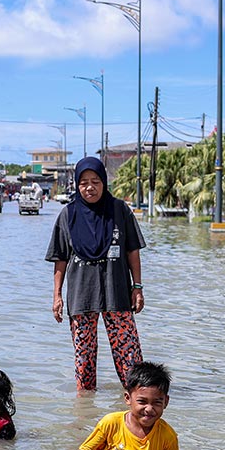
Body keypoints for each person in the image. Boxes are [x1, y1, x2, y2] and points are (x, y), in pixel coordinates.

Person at [45, 156, 146, 391]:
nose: (90, 187)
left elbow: (132, 250)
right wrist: (57, 296)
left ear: (104, 183)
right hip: (82, 295)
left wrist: (138, 287)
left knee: (130, 357)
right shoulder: (68, 215)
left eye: (95, 182)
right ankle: (85, 409)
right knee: (84, 361)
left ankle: (136, 402)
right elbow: (60, 259)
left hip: (117, 292)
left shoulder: (120, 210)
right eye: (84, 183)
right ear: (77, 185)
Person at [71, 361, 179, 450]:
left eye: (157, 402)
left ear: (166, 402)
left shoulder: (168, 436)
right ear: (127, 398)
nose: (149, 409)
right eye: (142, 401)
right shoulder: (111, 423)